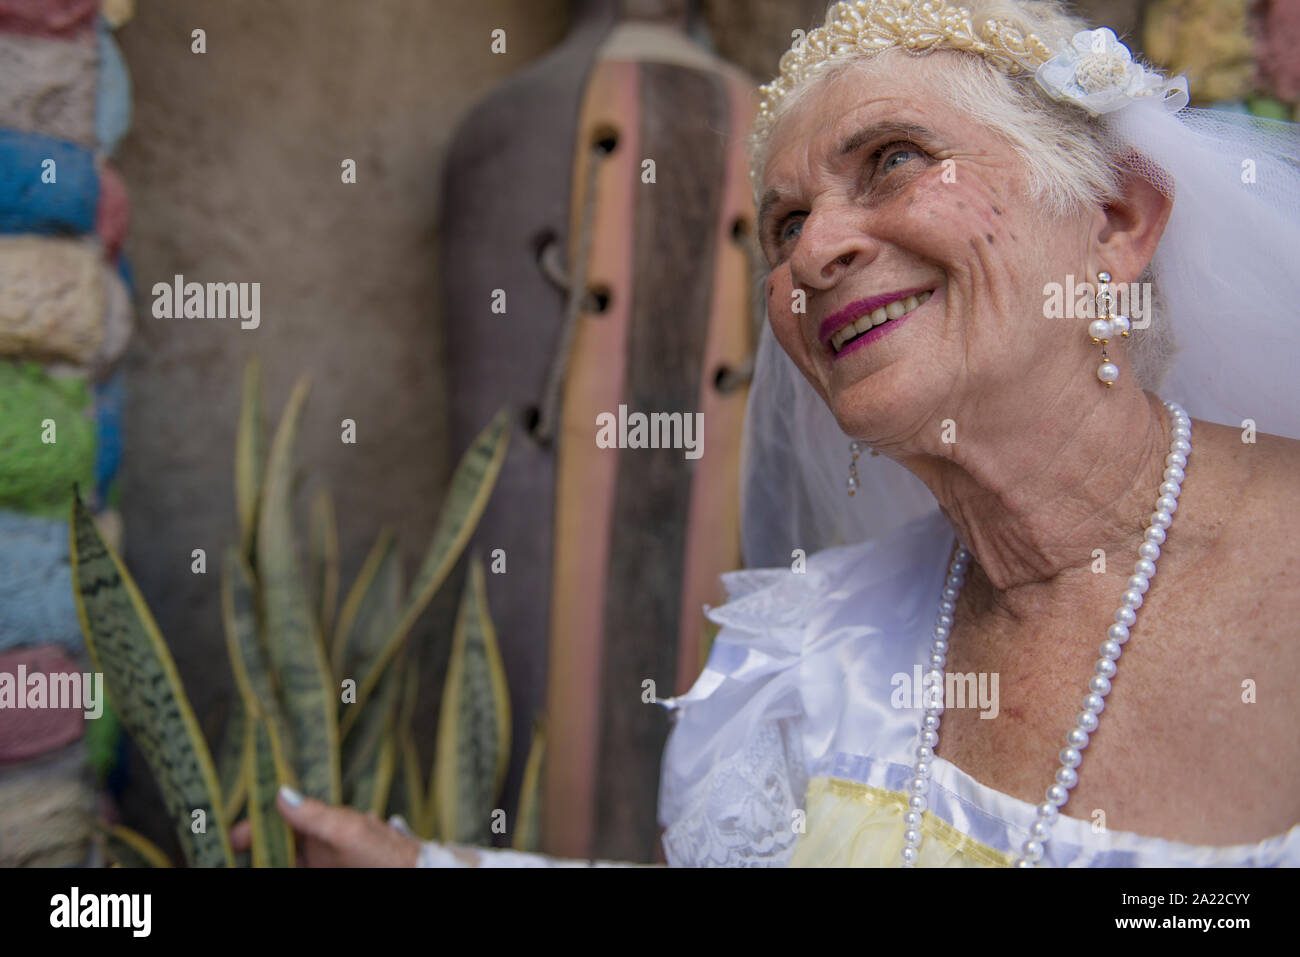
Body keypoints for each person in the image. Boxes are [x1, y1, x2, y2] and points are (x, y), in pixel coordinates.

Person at [236, 0, 1300, 867]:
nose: (813, 254)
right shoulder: (805, 658)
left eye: (892, 159)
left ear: (1114, 220)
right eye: (783, 225)